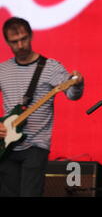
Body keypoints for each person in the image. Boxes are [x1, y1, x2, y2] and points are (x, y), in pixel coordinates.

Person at [0, 17, 84, 197]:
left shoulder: (51, 67)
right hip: (5, 146)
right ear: (7, 42)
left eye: (24, 39)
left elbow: (72, 96)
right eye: (14, 42)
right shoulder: (3, 70)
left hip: (36, 144)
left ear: (31, 36)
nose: (21, 45)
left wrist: (77, 84)